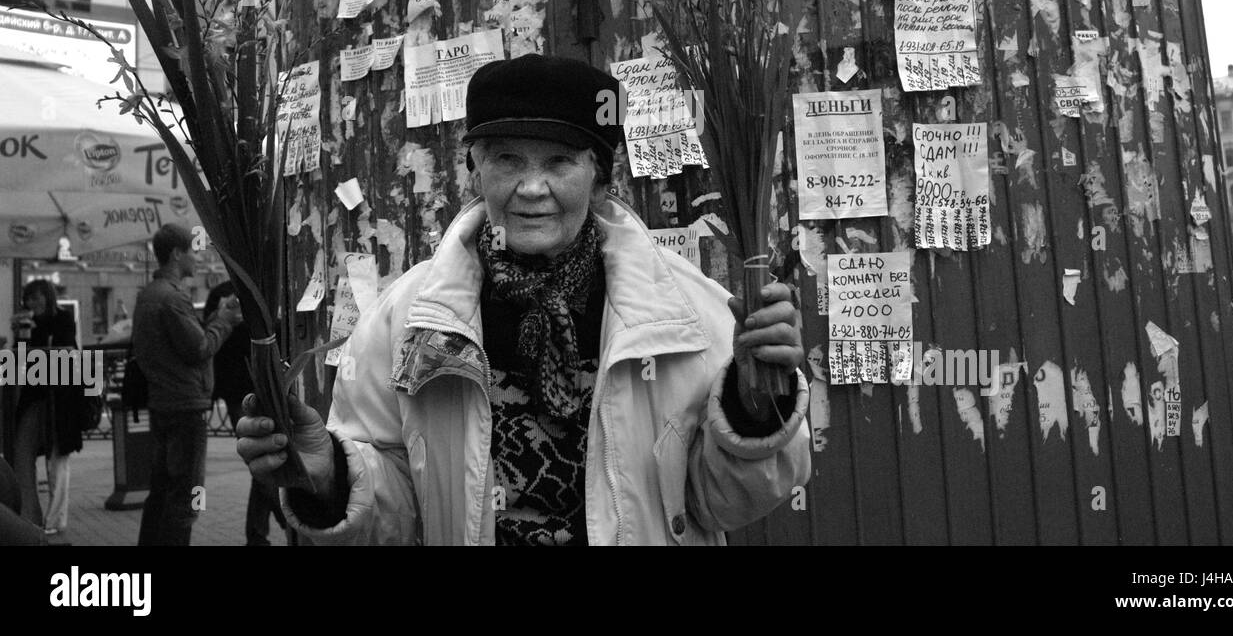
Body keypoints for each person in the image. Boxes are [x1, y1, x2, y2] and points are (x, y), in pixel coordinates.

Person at [239, 54, 811, 545]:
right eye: (507, 159)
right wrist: (332, 476)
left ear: (600, 176)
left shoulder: (683, 312)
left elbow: (724, 504)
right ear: (475, 170)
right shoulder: (411, 320)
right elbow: (401, 514)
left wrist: (753, 408)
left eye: (559, 162)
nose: (532, 188)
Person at [132, 223, 243, 546]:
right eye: (192, 251)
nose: (196, 258)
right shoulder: (172, 299)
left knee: (162, 489)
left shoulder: (147, 296)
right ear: (178, 254)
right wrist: (224, 321)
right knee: (189, 492)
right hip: (186, 407)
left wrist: (215, 320)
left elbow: (184, 345)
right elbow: (199, 349)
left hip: (163, 402)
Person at [210, 281, 286, 545]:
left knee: (263, 463)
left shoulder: (257, 287)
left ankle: (256, 535)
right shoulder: (224, 293)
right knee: (263, 465)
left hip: (256, 388)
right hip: (241, 392)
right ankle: (288, 524)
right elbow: (211, 338)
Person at [11, 279, 82, 535]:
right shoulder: (24, 324)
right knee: (22, 453)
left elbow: (64, 353)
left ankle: (54, 520)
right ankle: (31, 515)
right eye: (28, 299)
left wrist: (32, 349)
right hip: (33, 397)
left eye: (37, 297)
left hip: (60, 399)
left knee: (57, 459)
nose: (32, 303)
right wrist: (19, 335)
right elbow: (18, 363)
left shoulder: (63, 319)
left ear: (48, 297)